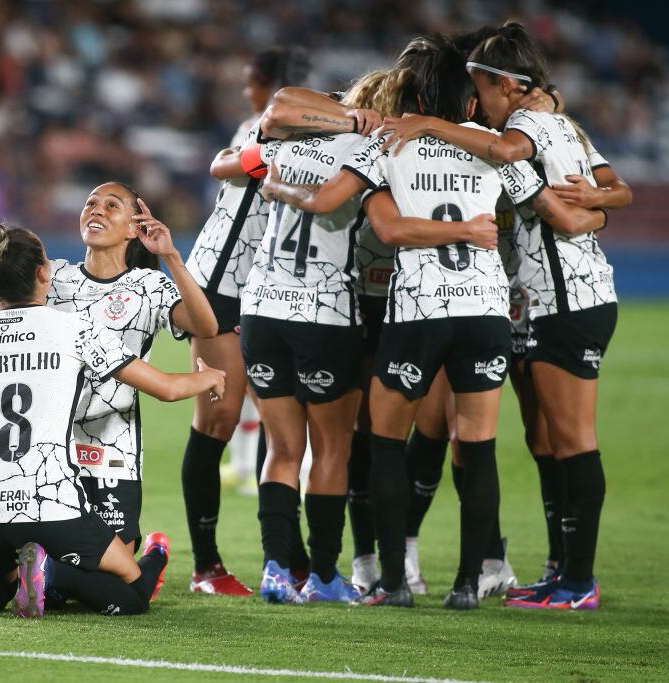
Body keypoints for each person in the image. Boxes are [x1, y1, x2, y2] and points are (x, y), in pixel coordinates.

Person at [263, 34, 606, 609]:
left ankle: (393, 581)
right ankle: (472, 582)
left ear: (411, 92)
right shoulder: (492, 145)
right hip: (486, 310)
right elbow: (560, 213)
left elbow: (343, 209)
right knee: (479, 446)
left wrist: (273, 182)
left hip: (418, 310)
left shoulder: (386, 143)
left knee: (387, 442)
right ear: (468, 100)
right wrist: (599, 207)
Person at [381, 22, 632, 610]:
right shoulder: (560, 123)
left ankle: (574, 579)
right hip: (526, 300)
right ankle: (550, 568)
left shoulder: (517, 139)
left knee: (566, 440)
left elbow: (557, 203)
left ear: (502, 85)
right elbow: (615, 191)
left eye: (480, 87)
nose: (475, 101)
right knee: (538, 436)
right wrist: (600, 207)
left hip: (558, 300)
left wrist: (423, 124)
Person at [0, 222, 226, 617]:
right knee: (133, 593)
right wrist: (211, 375)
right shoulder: (74, 329)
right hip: (45, 496)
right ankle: (51, 567)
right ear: (45, 274)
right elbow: (166, 388)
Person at [241, 68, 403, 605]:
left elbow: (280, 104)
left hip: (263, 305)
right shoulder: (373, 150)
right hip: (324, 310)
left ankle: (275, 570)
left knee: (282, 450)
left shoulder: (289, 136)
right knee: (331, 449)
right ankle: (327, 577)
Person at [181, 48, 315, 596]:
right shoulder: (261, 128)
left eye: (252, 84)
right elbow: (230, 164)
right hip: (219, 287)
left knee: (280, 420)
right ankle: (207, 566)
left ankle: (284, 556)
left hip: (268, 289)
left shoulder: (310, 134)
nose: (247, 94)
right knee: (219, 418)